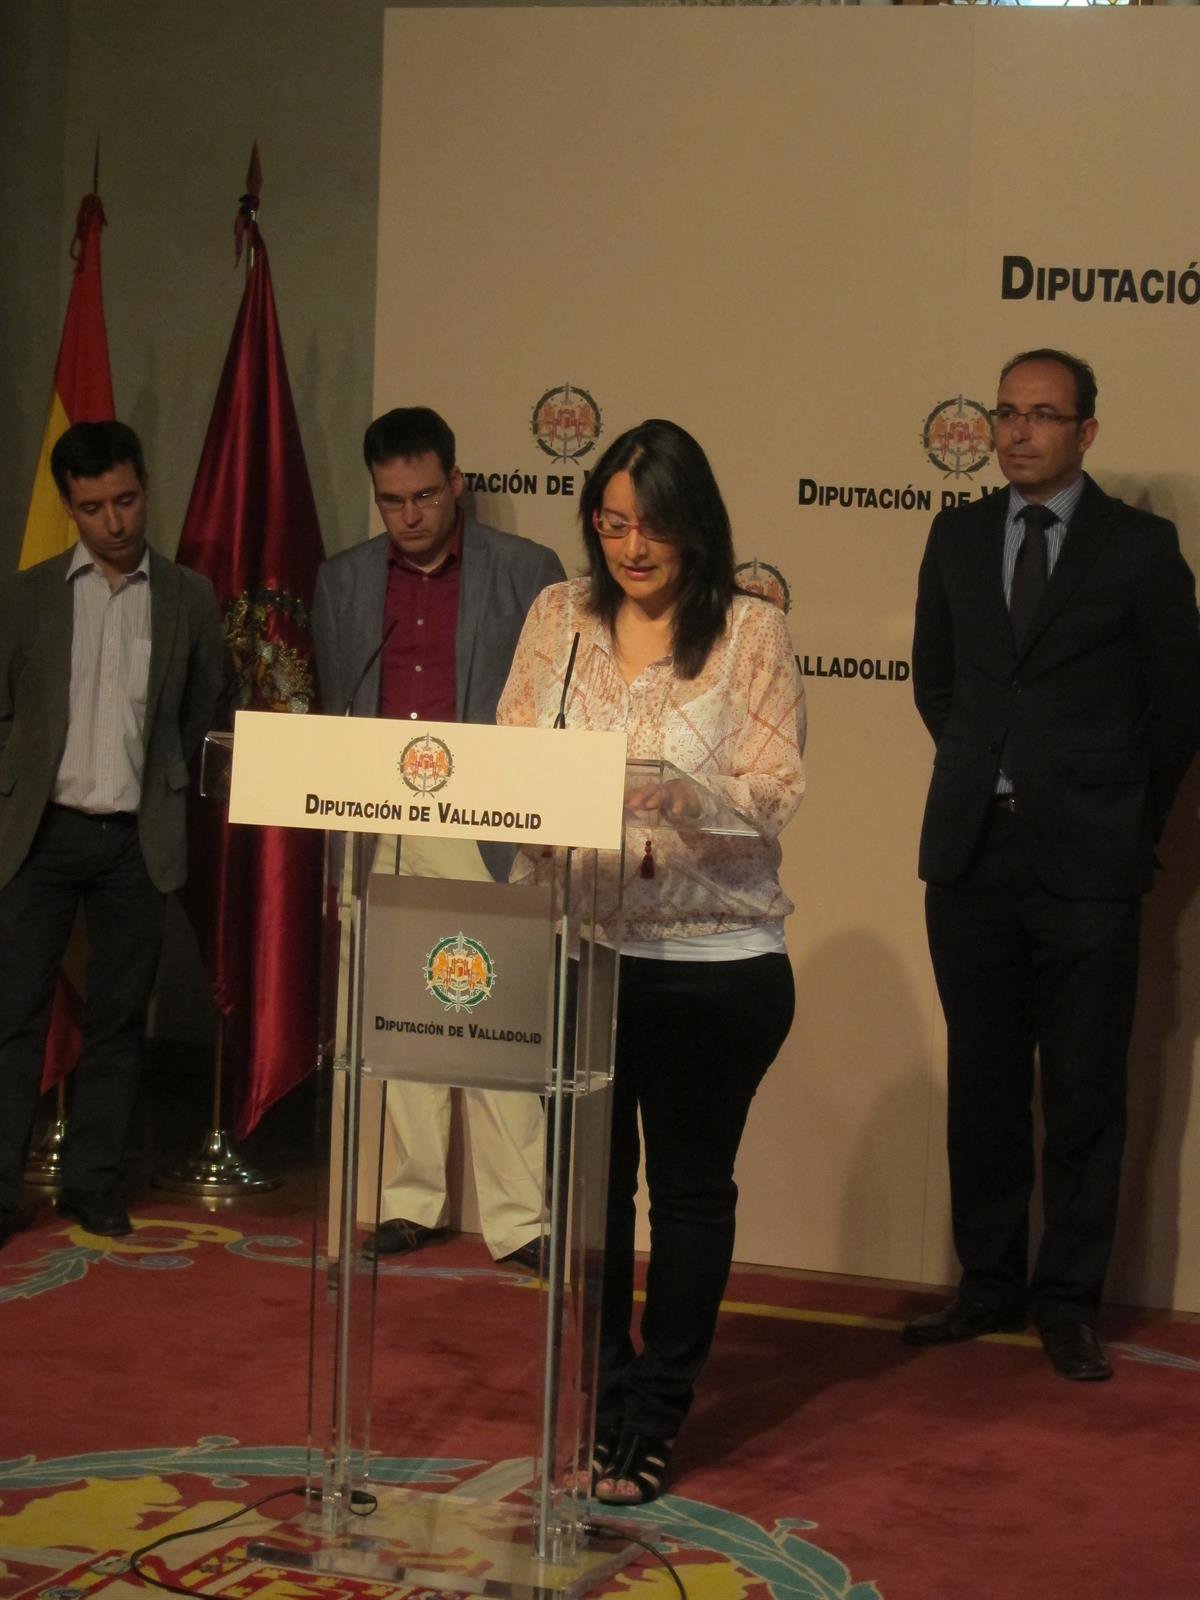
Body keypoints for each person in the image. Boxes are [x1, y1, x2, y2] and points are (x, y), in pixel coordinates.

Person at [497, 418, 806, 1503]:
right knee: (589, 1197)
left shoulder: (751, 630)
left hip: (711, 957)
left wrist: (690, 794)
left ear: (695, 527)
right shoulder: (558, 616)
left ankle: (657, 1413)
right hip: (582, 946)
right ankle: (606, 1399)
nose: (632, 548)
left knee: (686, 1192)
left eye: (655, 527)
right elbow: (512, 752)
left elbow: (776, 790)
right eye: (614, 523)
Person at [905, 349, 1200, 1380]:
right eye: (1006, 413)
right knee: (983, 1084)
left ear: (1087, 432)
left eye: (1042, 414)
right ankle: (987, 1282)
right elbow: (936, 683)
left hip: (1090, 861)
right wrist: (990, 772)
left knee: (1084, 1089)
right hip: (972, 852)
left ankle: (1067, 1299)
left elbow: (1178, 709)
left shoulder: (1141, 549)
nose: (1018, 431)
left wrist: (1120, 815)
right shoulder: (956, 535)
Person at [312, 406, 565, 1269]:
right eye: (392, 500)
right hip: (379, 820)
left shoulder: (528, 570)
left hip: (485, 818)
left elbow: (552, 702)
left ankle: (521, 1219)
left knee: (493, 1012)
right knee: (399, 1012)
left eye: (424, 495)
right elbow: (335, 706)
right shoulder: (344, 579)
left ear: (456, 483)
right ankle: (411, 1202)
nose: (410, 514)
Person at [0, 420, 224, 1246]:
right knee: (13, 1017)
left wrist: (161, 785)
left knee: (121, 1021)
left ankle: (92, 1184)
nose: (115, 522)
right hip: (39, 833)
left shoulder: (188, 597)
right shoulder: (27, 596)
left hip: (136, 838)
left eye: (126, 500)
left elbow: (203, 710)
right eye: (94, 507)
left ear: (144, 489)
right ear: (69, 507)